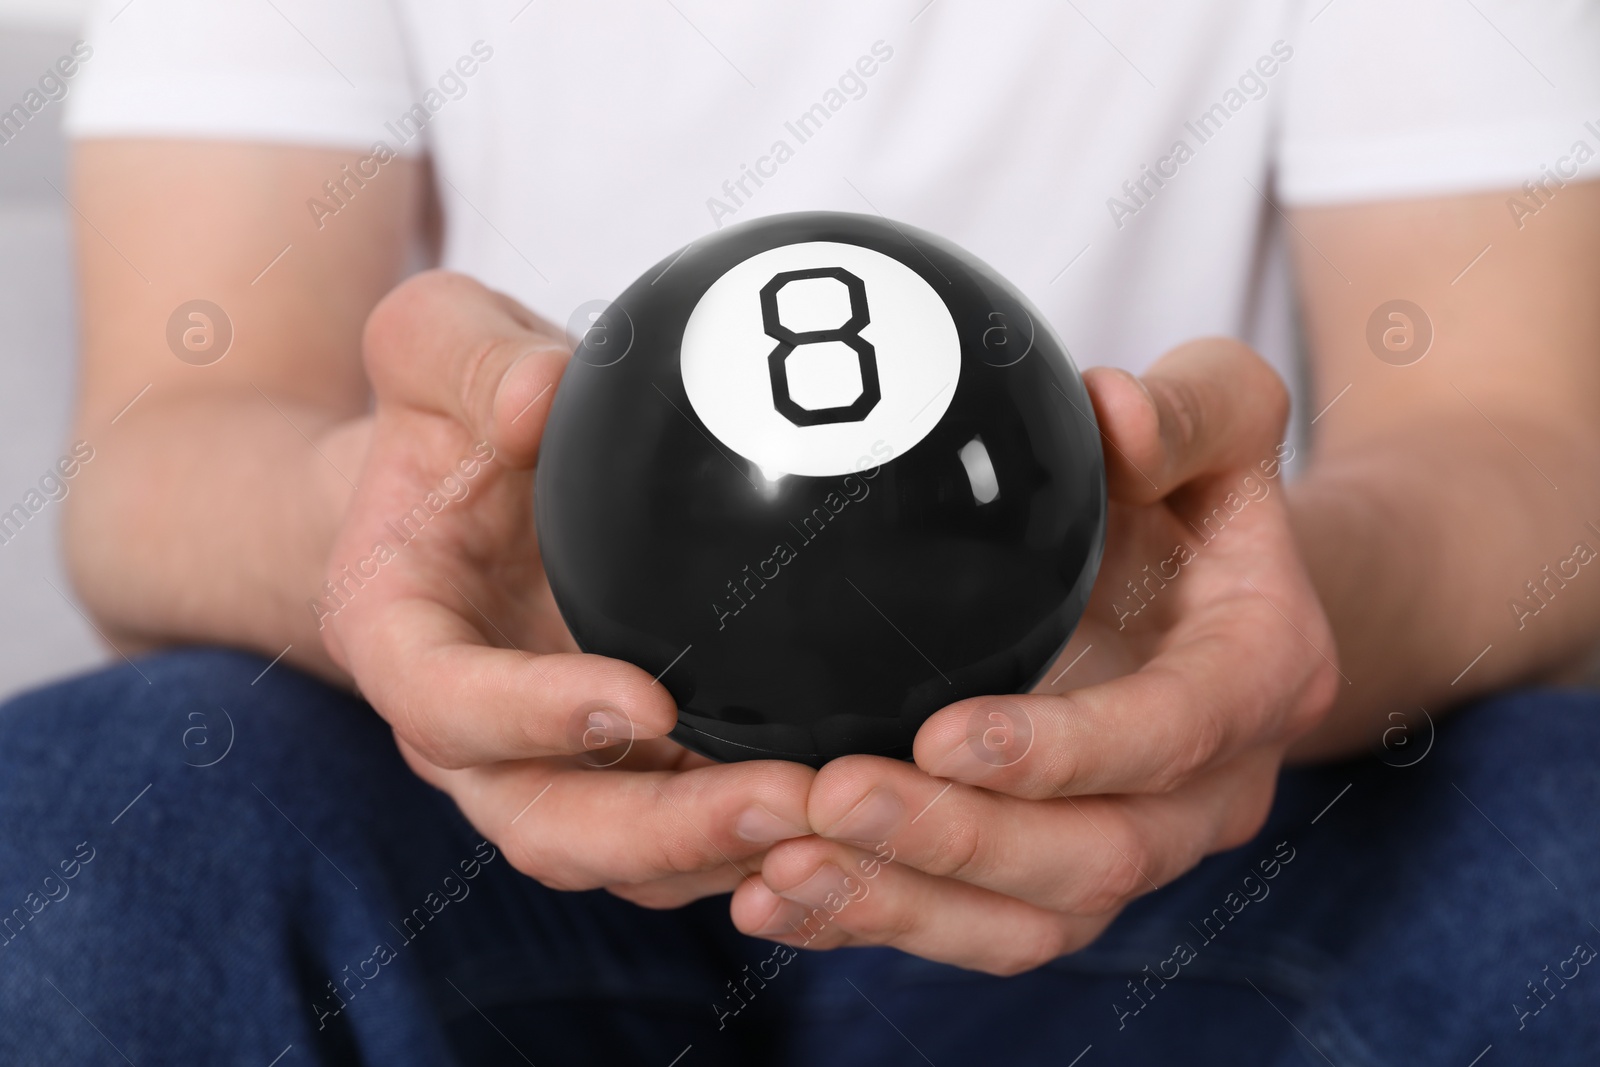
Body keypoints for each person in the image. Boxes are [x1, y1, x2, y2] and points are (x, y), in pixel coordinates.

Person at [2, 0, 1598, 1062]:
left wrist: (1236, 645)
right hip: (487, 816)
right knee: (82, 819)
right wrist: (396, 552)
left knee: (1568, 846)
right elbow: (166, 451)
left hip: (1159, 834)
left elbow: (1518, 450)